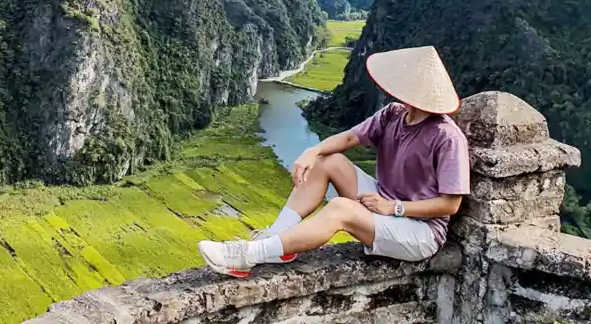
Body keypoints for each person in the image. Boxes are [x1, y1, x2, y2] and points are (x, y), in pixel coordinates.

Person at [198, 45, 471, 278]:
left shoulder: (447, 138)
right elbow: (351, 138)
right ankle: (275, 240)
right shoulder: (394, 114)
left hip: (420, 232)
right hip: (383, 201)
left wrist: (394, 208)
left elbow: (451, 204)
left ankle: (249, 255)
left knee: (340, 208)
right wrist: (313, 152)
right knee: (329, 161)